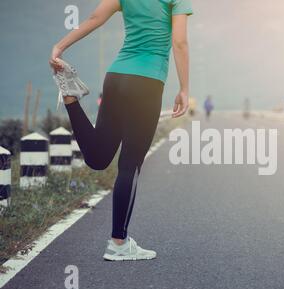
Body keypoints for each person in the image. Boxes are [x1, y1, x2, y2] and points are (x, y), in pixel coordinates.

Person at [49, 0, 193, 261]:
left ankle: (70, 97)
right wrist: (184, 88)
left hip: (116, 77)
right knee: (130, 165)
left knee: (98, 157)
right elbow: (180, 42)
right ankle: (118, 243)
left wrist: (60, 47)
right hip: (147, 83)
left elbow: (94, 18)